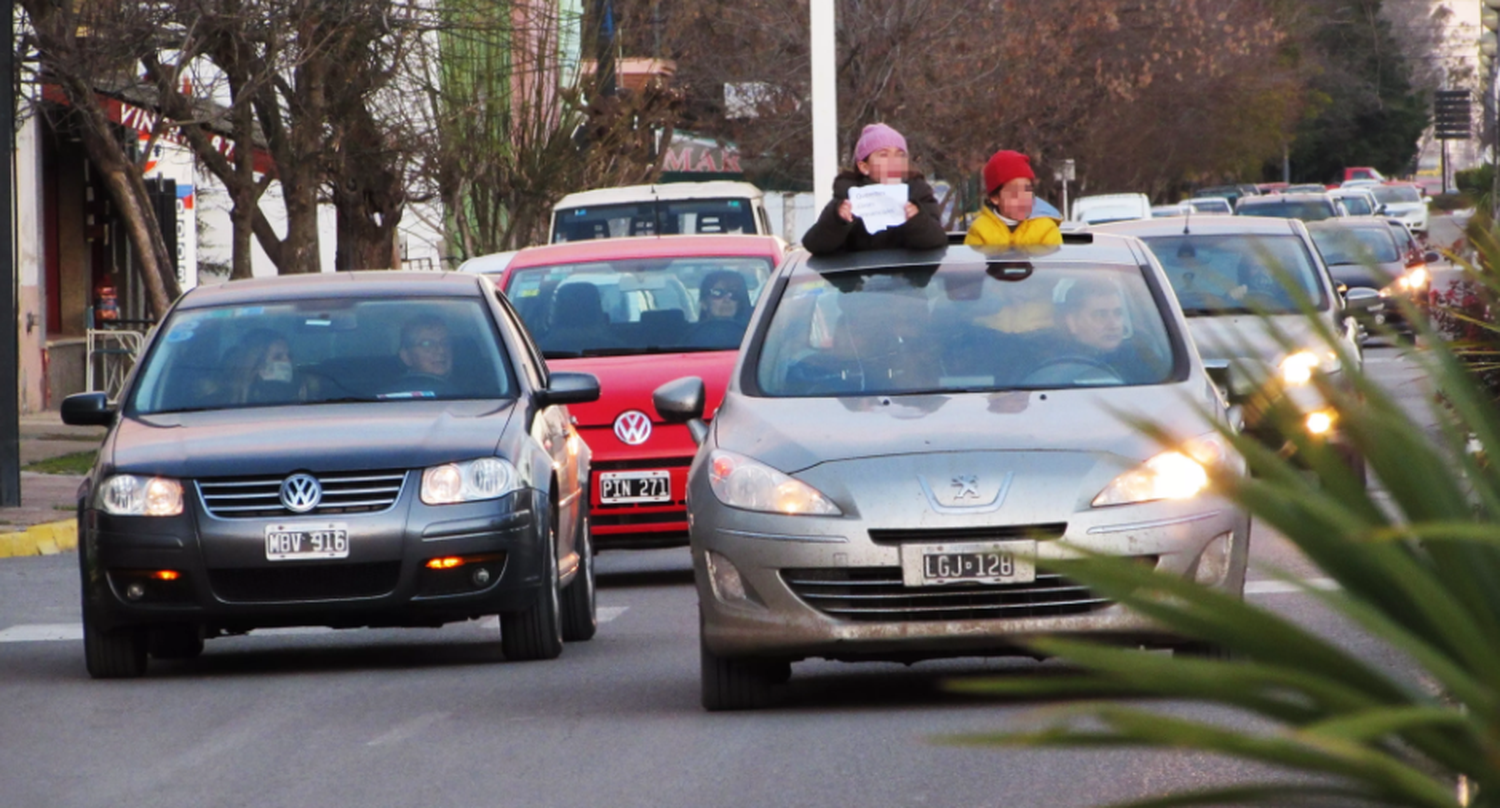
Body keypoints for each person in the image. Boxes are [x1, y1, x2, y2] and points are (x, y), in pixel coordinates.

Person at [800, 123, 947, 255]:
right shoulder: (848, 196)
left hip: (909, 282)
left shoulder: (918, 193)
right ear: (864, 167)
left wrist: (917, 220)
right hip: (858, 282)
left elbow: (937, 241)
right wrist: (838, 220)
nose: (894, 162)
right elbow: (814, 245)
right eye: (883, 155)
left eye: (900, 155)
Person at [1028, 277, 1165, 385]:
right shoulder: (1043, 359)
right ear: (1072, 322)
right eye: (1100, 314)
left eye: (1118, 313)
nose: (1113, 325)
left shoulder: (1141, 356)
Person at [965, 150, 1062, 249]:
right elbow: (974, 262)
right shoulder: (979, 230)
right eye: (1015, 193)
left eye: (1027, 191)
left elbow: (1052, 262)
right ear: (995, 198)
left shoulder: (1046, 229)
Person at [214, 328, 310, 405]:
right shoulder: (220, 401)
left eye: (289, 356)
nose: (287, 361)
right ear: (257, 364)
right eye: (278, 357)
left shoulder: (300, 390)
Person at [683, 270, 752, 349]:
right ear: (704, 303)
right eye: (717, 293)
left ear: (739, 303)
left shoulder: (758, 335)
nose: (727, 300)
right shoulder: (686, 339)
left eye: (734, 294)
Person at [395, 315, 454, 391]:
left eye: (445, 343)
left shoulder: (470, 391)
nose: (441, 350)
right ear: (406, 356)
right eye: (427, 344)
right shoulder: (395, 397)